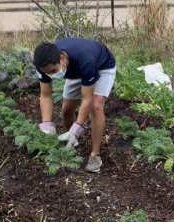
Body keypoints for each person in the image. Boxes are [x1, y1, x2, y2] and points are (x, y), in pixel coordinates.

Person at [33, 38, 117, 173]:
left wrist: (77, 129)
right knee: (67, 109)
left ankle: (95, 155)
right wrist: (46, 125)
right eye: (48, 72)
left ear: (62, 59)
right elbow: (45, 95)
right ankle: (71, 143)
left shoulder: (86, 59)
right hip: (75, 72)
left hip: (101, 67)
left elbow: (87, 99)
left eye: (54, 70)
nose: (51, 75)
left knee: (96, 107)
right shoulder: (43, 65)